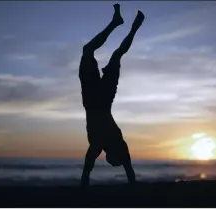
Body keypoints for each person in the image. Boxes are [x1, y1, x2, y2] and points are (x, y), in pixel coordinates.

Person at [78, 4, 145, 187]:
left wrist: (84, 184)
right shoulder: (110, 143)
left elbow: (89, 166)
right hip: (99, 99)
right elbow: (127, 169)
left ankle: (121, 24)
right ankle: (123, 25)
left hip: (96, 98)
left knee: (107, 54)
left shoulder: (101, 144)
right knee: (104, 53)